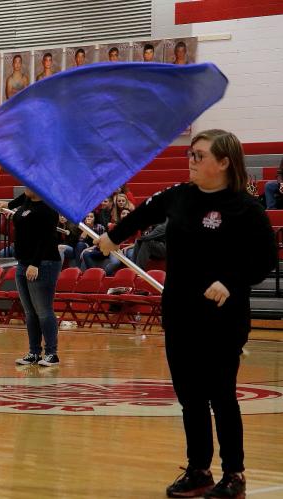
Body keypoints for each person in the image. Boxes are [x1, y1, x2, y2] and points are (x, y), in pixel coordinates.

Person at [98, 130, 277, 499]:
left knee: (221, 395)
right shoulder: (179, 196)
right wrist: (114, 237)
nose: (191, 161)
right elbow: (144, 212)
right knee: (190, 396)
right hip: (180, 313)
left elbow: (265, 260)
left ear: (224, 162)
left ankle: (234, 474)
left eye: (199, 155)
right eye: (191, 155)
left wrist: (230, 280)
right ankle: (199, 470)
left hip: (222, 317)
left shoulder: (246, 208)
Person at [5, 188, 62, 367]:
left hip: (43, 263)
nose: (25, 188)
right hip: (23, 263)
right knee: (30, 312)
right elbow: (22, 198)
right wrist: (8, 205)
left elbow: (46, 239)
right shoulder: (28, 201)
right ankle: (34, 352)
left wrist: (35, 264)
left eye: (28, 185)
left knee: (43, 311)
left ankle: (52, 353)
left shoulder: (48, 209)